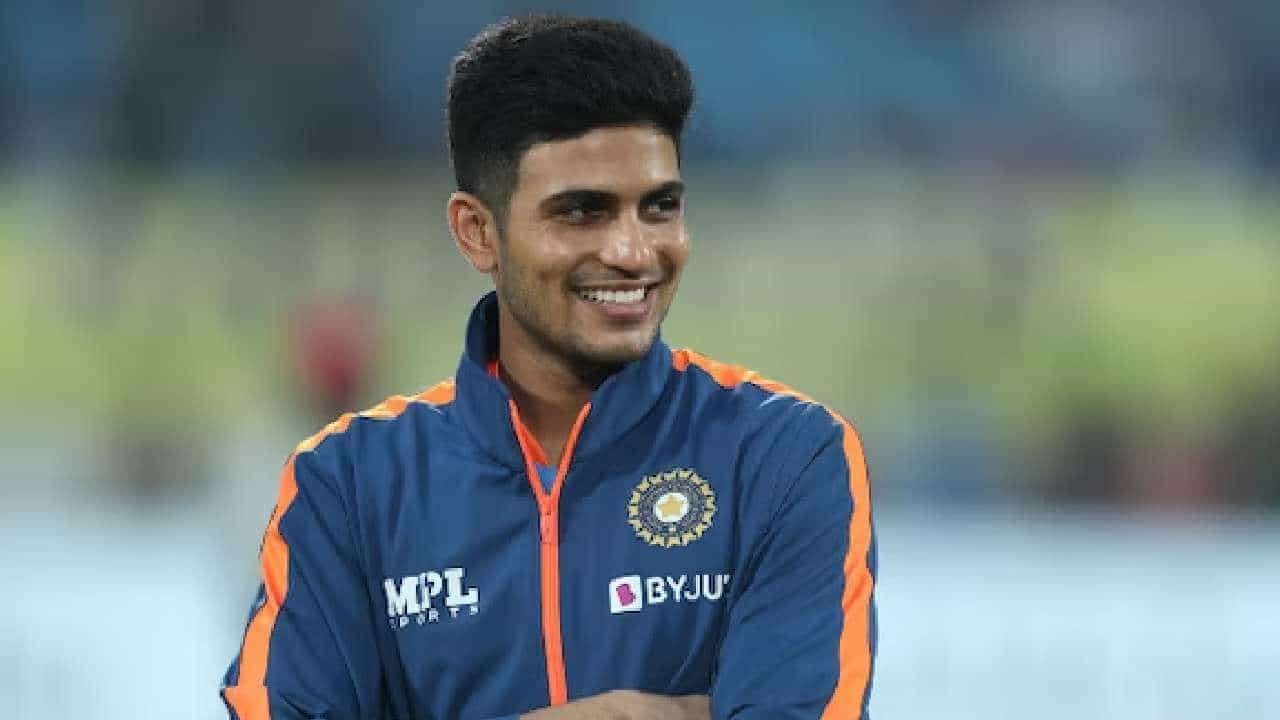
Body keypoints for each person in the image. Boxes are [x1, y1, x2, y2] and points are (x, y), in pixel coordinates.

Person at [220, 15, 876, 720]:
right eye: (583, 213)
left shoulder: (786, 455)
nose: (634, 252)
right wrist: (655, 714)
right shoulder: (346, 483)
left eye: (660, 207)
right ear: (477, 232)